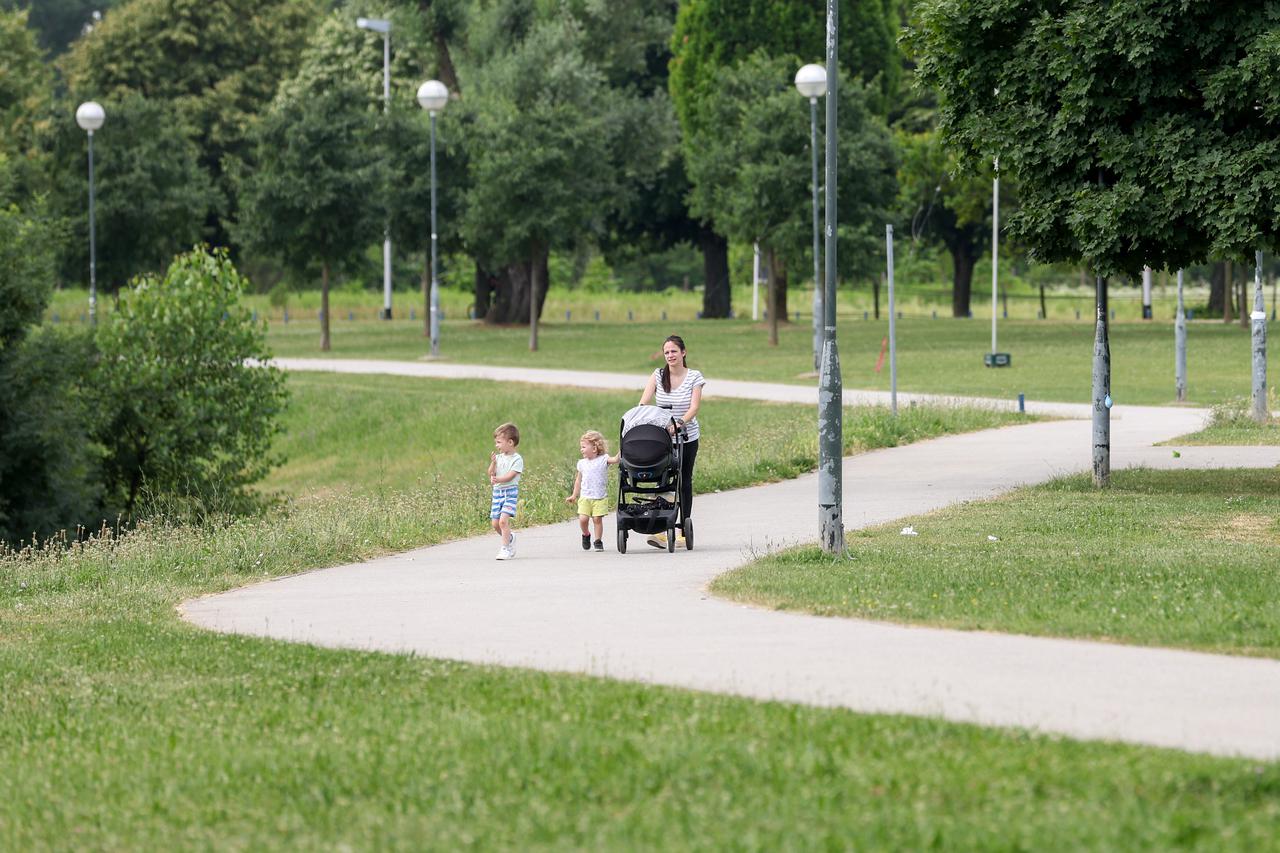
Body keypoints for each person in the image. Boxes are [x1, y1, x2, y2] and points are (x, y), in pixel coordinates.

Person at [638, 334, 704, 549]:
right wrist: (639, 421)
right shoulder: (658, 375)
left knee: (683, 481)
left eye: (674, 351)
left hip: (687, 436)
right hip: (662, 438)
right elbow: (643, 403)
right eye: (666, 352)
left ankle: (683, 529)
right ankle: (659, 529)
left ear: (683, 352)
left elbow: (694, 407)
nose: (670, 355)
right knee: (662, 480)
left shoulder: (694, 376)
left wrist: (679, 423)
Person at [564, 430, 618, 551]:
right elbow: (578, 481)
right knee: (583, 519)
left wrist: (623, 450)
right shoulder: (582, 463)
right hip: (585, 497)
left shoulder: (603, 459)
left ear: (594, 448)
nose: (581, 450)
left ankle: (598, 541)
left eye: (583, 447)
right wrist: (574, 495)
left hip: (600, 497)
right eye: (581, 447)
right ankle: (586, 534)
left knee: (597, 519)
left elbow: (615, 460)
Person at [487, 422, 523, 560]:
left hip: (510, 493)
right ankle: (510, 538)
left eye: (499, 442)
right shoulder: (499, 458)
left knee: (503, 522)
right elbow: (491, 472)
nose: (497, 445)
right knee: (495, 524)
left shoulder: (517, 459)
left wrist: (498, 480)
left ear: (510, 442)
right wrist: (493, 463)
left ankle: (505, 548)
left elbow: (511, 475)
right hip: (498, 493)